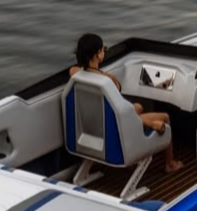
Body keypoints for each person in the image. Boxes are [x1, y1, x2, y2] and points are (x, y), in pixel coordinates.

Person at [69, 33, 183, 173]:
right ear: (98, 54)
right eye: (103, 49)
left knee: (137, 107)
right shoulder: (108, 81)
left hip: (93, 127)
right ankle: (169, 164)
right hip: (115, 132)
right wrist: (107, 76)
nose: (104, 52)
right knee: (164, 117)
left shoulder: (75, 74)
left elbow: (76, 69)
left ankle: (146, 122)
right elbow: (119, 112)